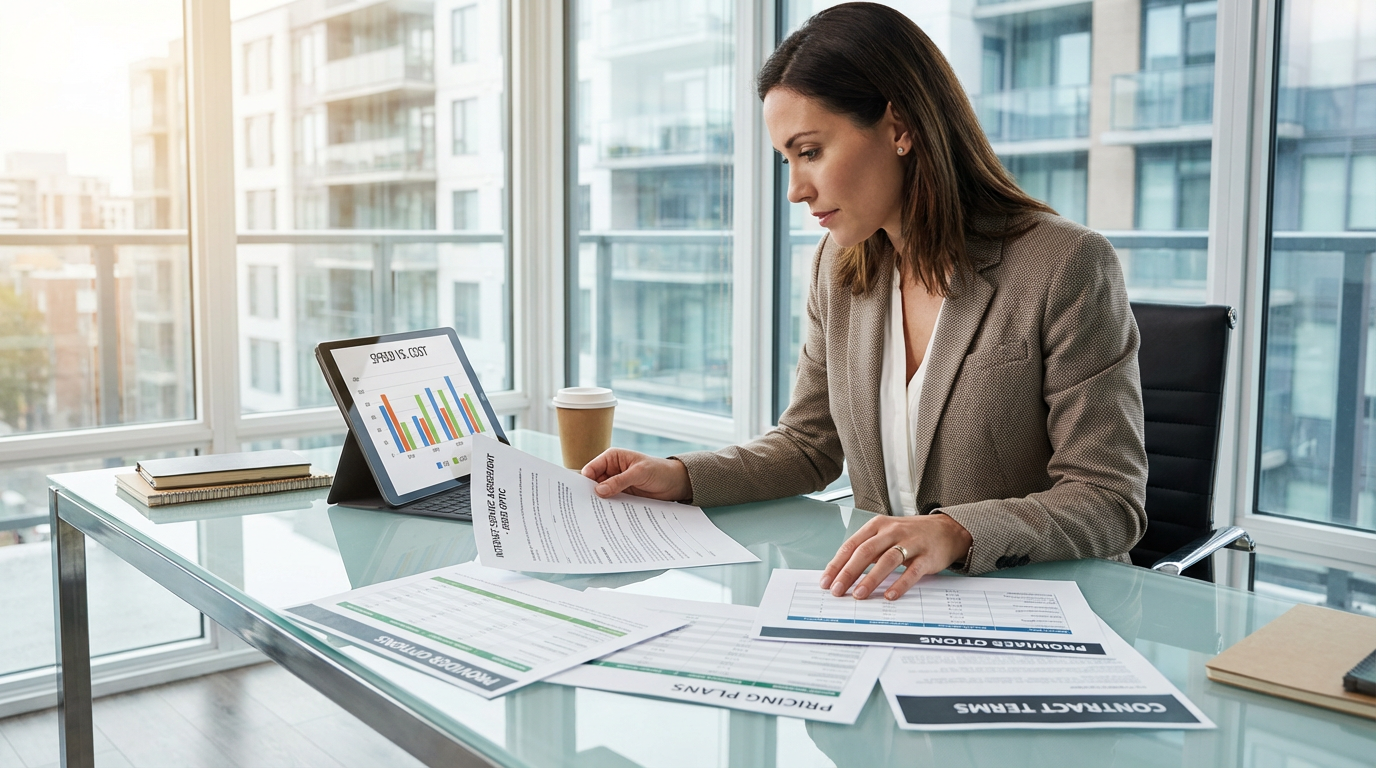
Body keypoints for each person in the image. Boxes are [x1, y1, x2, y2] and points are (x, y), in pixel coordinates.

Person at [582, 2, 1147, 601]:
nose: (797, 190)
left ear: (899, 127)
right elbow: (808, 445)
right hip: (884, 604)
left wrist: (954, 532)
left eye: (810, 151)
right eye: (787, 161)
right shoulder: (840, 266)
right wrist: (681, 476)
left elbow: (1109, 498)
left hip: (1034, 611)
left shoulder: (1065, 265)